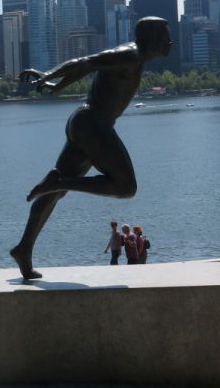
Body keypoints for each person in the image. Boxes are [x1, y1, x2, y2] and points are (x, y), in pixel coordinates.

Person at [10, 17, 173, 280]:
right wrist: (48, 74)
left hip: (87, 124)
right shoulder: (130, 54)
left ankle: (24, 248)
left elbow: (89, 68)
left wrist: (56, 86)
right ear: (151, 38)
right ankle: (57, 182)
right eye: (165, 36)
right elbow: (86, 62)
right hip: (92, 125)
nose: (170, 41)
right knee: (126, 187)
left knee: (53, 195)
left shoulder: (136, 58)